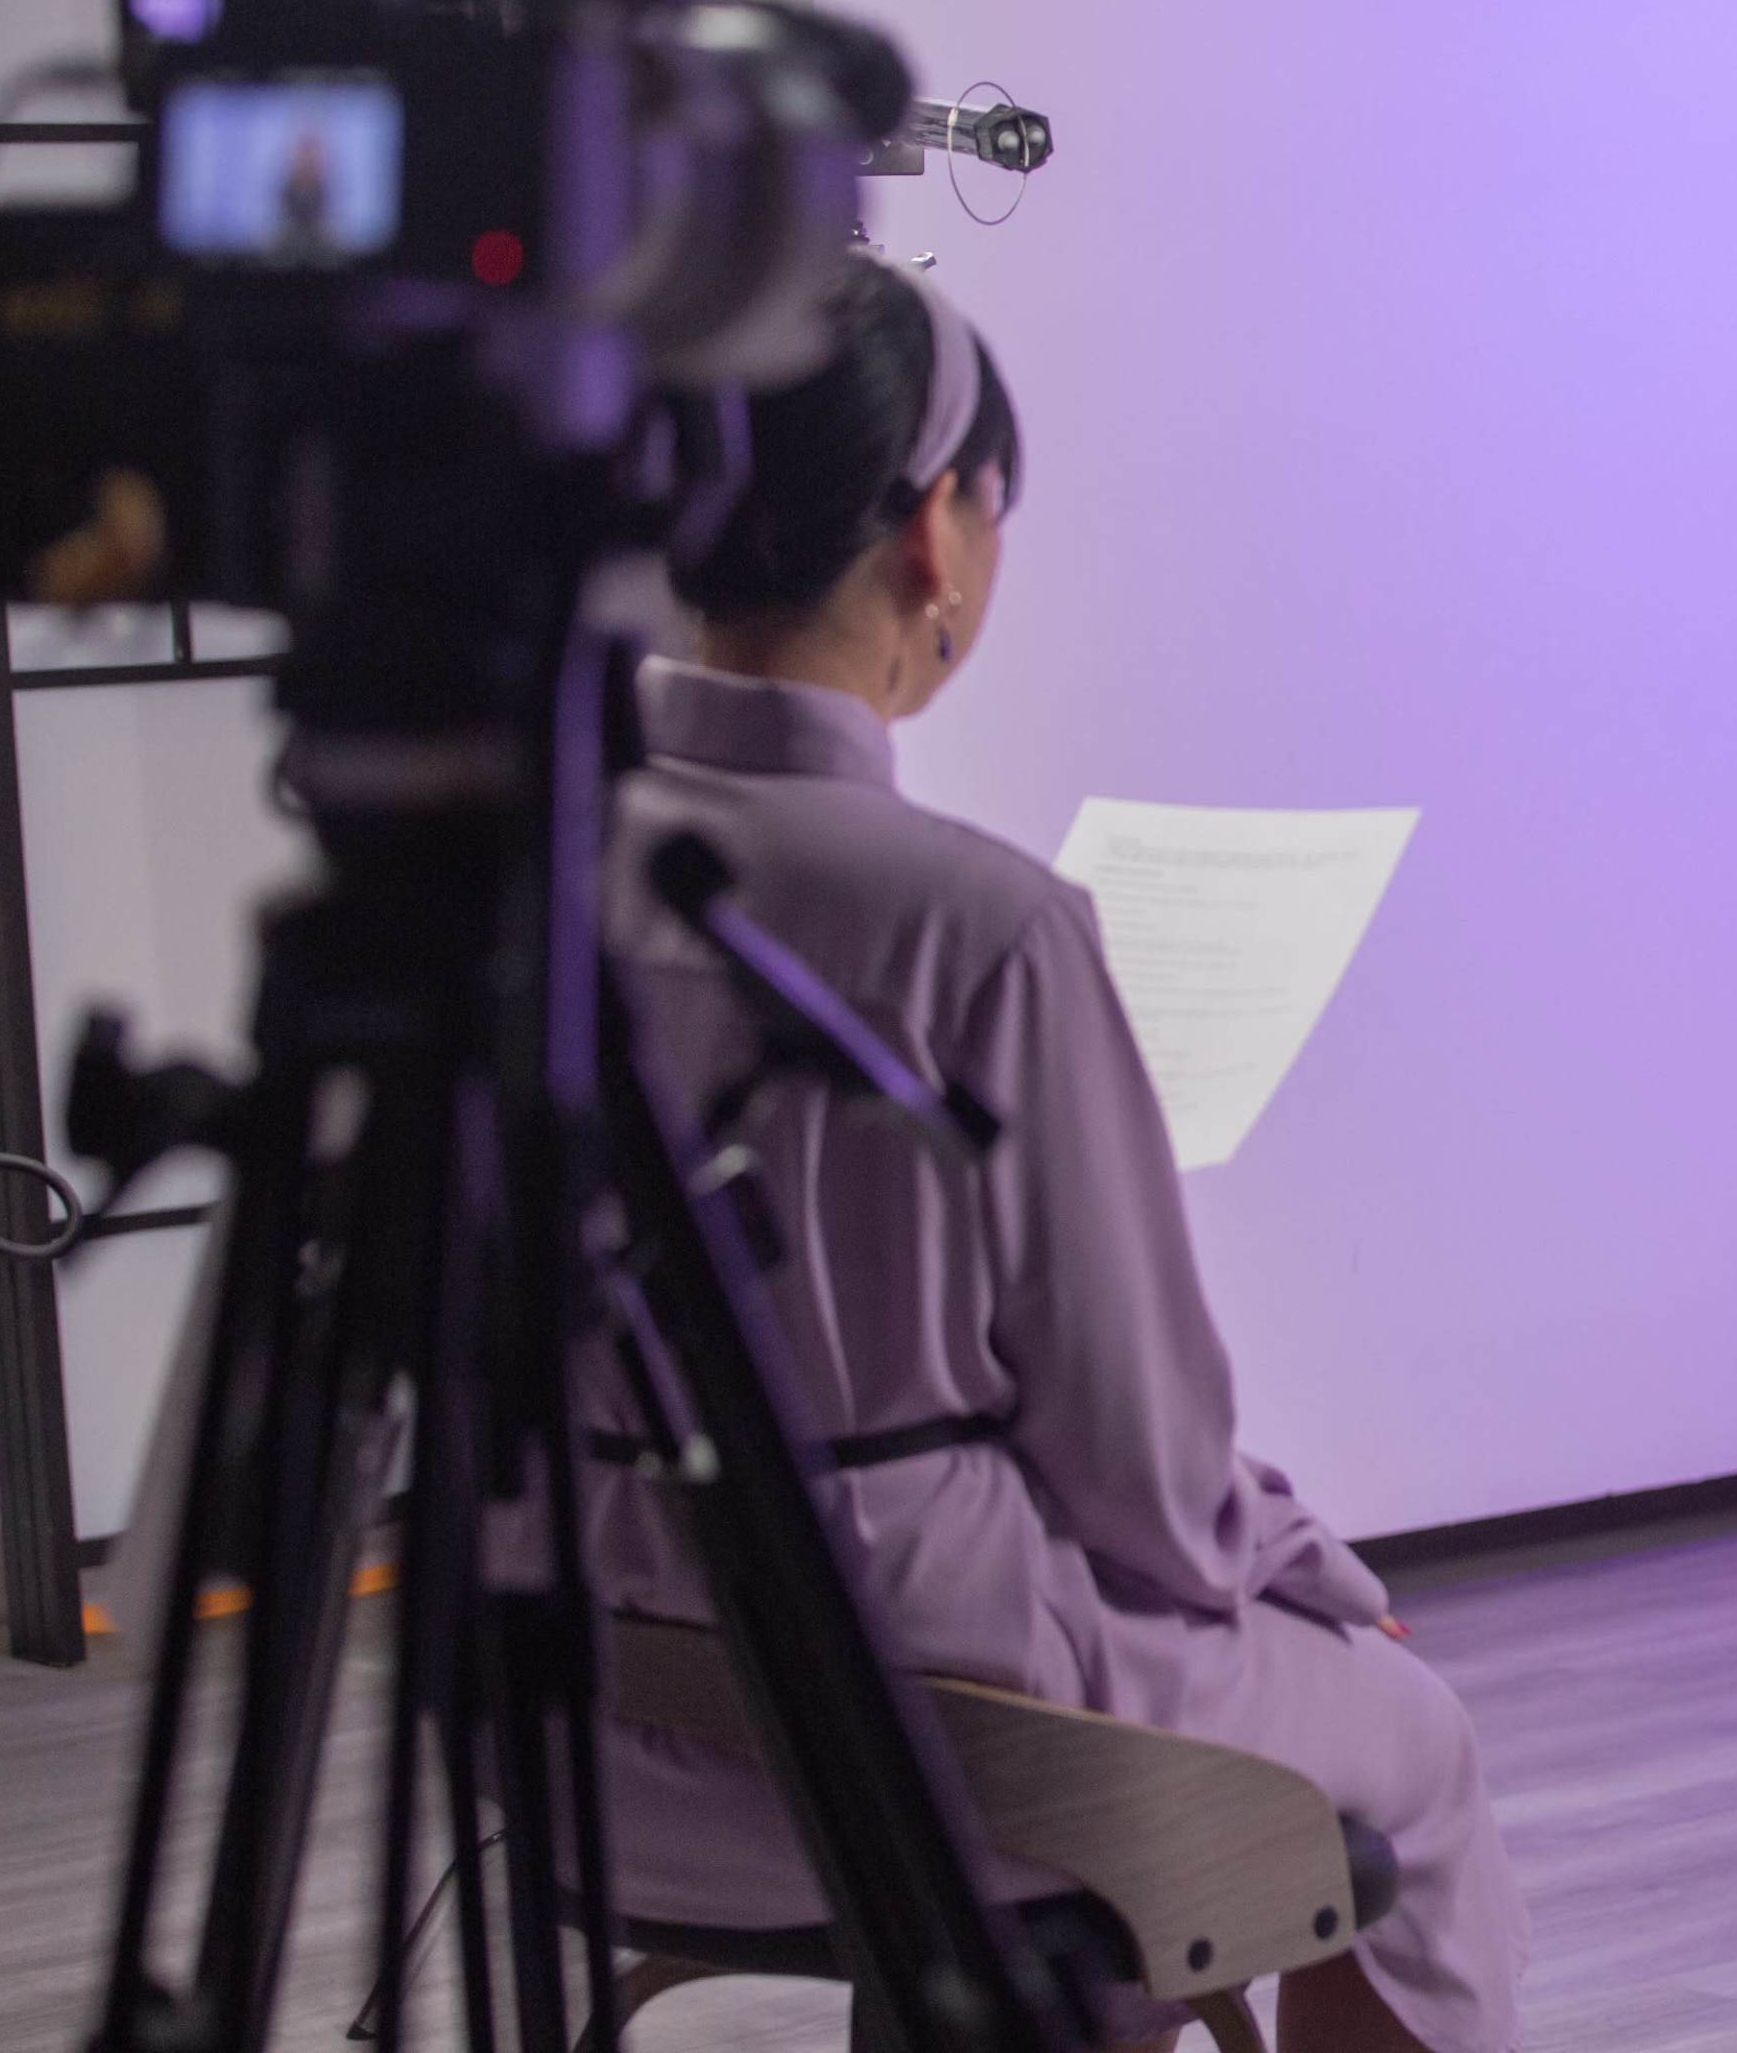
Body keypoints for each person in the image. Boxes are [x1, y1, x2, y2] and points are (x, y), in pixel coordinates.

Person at [580, 256, 1526, 2053]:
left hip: (597, 1700)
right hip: (933, 1704)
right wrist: (1314, 1572)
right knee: (1410, 1740)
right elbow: (1147, 1479)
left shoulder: (527, 872)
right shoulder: (979, 924)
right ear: (939, 530)